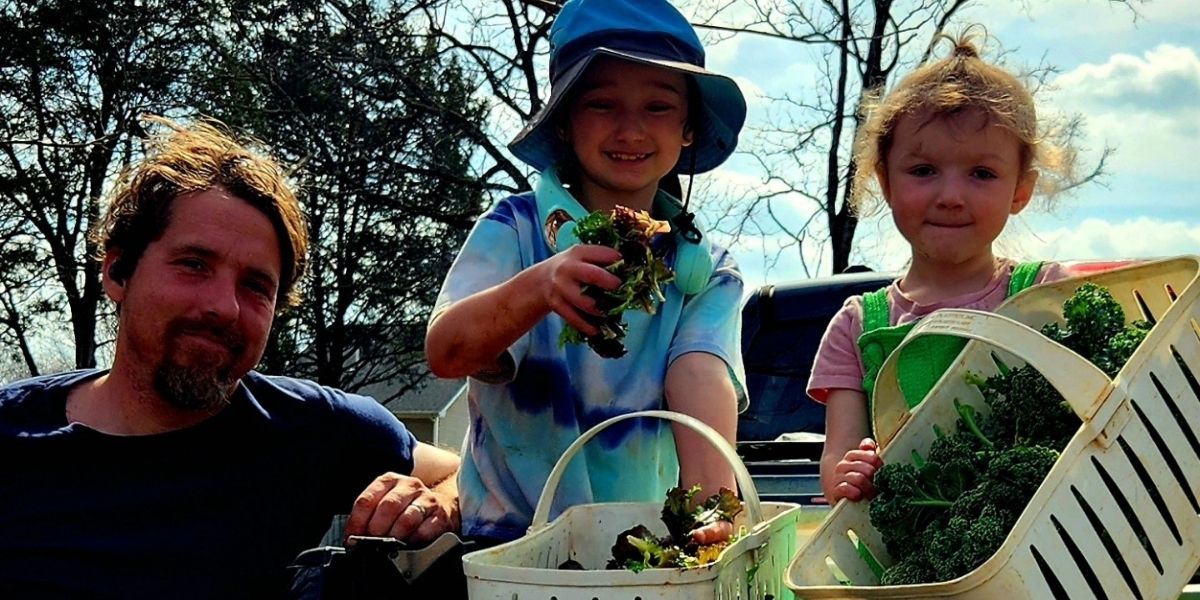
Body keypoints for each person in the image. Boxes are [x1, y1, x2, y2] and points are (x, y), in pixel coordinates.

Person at [0, 118, 461, 599]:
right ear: (118, 271)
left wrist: (438, 504)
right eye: (194, 264)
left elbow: (459, 472)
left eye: (256, 286)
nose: (225, 306)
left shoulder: (314, 429)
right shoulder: (11, 434)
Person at [425, 0, 748, 545]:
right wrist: (537, 289)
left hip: (636, 546)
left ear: (688, 128)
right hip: (506, 544)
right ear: (566, 121)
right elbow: (448, 352)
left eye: (658, 107)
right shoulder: (515, 229)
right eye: (602, 104)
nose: (630, 129)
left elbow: (698, 375)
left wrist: (715, 512)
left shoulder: (706, 270)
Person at [807, 33, 1080, 506]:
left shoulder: (1044, 293)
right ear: (885, 181)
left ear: (1021, 191)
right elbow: (838, 463)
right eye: (924, 170)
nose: (951, 195)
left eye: (981, 174)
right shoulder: (856, 326)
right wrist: (851, 475)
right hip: (913, 566)